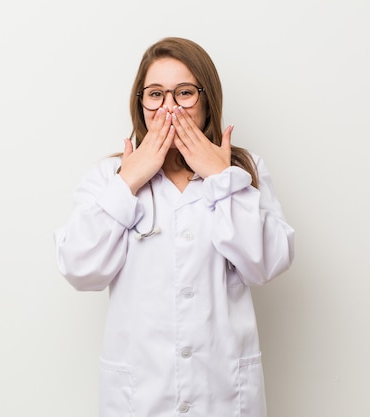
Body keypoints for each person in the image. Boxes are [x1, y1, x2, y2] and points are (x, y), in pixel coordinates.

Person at [54, 37, 294, 417]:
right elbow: (80, 269)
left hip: (224, 396)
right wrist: (128, 182)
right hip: (140, 397)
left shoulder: (244, 171)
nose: (168, 107)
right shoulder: (108, 177)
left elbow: (267, 263)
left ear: (207, 98)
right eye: (154, 94)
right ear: (140, 102)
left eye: (183, 92)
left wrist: (219, 175)